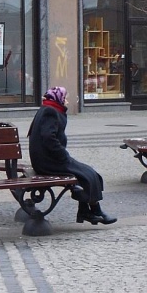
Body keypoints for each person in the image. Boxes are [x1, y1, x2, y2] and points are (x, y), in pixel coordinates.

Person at [27, 86, 117, 225]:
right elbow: (48, 138)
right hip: (48, 162)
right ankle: (92, 211)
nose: (67, 101)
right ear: (59, 99)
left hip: (50, 159)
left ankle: (88, 211)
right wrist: (63, 155)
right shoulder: (50, 111)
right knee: (86, 174)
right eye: (66, 98)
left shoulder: (49, 109)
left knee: (89, 172)